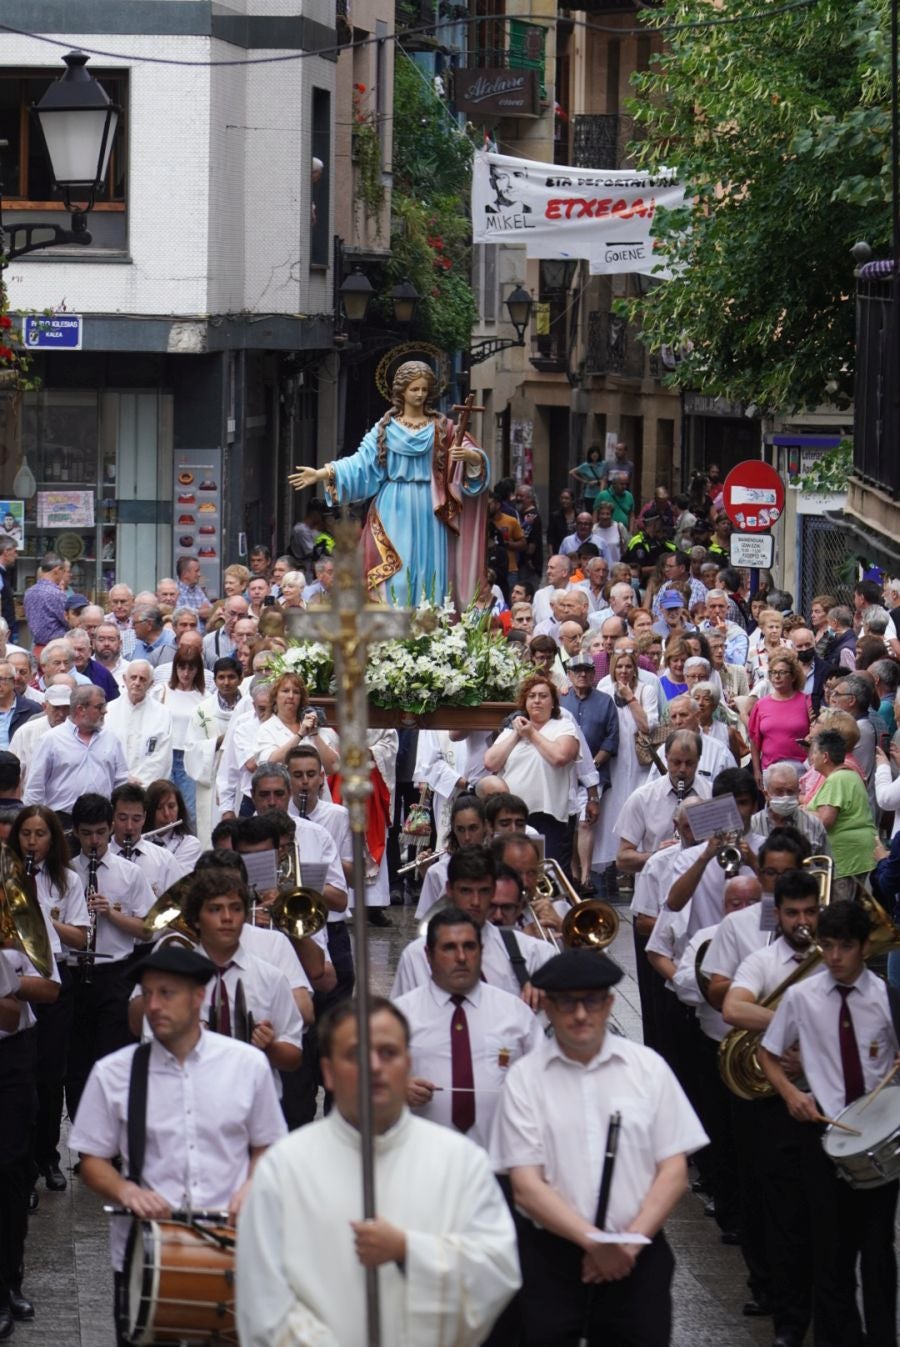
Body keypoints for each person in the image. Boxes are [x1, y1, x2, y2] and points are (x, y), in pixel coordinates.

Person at [237, 996, 520, 1347]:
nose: (374, 1066)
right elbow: (262, 1301)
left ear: (408, 1064)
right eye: (355, 1054)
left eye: (388, 1053)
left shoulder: (462, 1162)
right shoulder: (283, 1168)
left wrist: (408, 1251)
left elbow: (497, 1270)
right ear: (328, 1072)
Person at [489, 949, 708, 1347]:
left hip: (638, 1255)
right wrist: (594, 1243)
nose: (579, 1015)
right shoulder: (525, 1079)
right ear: (548, 1008)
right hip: (552, 1260)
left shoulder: (648, 1068)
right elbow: (525, 1184)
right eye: (566, 1002)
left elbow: (673, 1170)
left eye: (591, 1000)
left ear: (608, 1004)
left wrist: (625, 1245)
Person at [69, 943, 286, 1336]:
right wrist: (126, 1192)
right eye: (148, 994)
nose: (153, 1005)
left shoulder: (247, 1064)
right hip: (146, 1255)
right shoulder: (113, 1073)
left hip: (231, 1247)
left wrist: (253, 1185)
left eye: (166, 993)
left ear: (198, 997)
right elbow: (92, 1159)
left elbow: (268, 1144)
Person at [761, 900, 899, 1347]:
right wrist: (791, 1094)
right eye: (827, 945)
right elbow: (767, 1053)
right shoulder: (802, 997)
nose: (834, 956)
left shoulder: (886, 998)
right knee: (830, 1251)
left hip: (875, 1141)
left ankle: (881, 1337)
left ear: (863, 948)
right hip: (821, 1134)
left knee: (878, 1253)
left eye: (844, 946)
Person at [289, 361, 489, 609]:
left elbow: (469, 450)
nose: (420, 394)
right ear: (401, 391)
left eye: (424, 389)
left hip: (430, 507)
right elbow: (360, 464)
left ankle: (431, 629)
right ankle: (391, 632)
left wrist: (472, 459)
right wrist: (322, 473)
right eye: (414, 389)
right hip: (394, 506)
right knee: (397, 578)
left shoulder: (443, 428)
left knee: (430, 574)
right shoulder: (385, 429)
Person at [721, 869, 823, 1347]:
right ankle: (788, 1322)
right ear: (776, 915)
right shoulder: (762, 961)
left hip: (831, 1104)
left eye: (809, 912)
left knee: (828, 1220)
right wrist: (793, 1023)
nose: (802, 922)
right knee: (784, 1220)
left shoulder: (836, 959)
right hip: (779, 1102)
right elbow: (734, 1009)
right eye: (792, 913)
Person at [394, 907, 542, 1148]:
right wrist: (396, 1091)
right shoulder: (400, 1017)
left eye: (470, 947)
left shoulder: (515, 1013)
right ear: (428, 955)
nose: (461, 957)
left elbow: (544, 1081)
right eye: (449, 948)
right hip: (424, 1161)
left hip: (500, 1163)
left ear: (481, 951)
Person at [483, 674, 580, 860]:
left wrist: (532, 734)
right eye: (532, 696)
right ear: (525, 702)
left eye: (543, 696)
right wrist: (516, 735)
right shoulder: (513, 730)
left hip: (547, 814)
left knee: (543, 869)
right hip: (510, 813)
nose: (537, 701)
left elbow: (560, 757)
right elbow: (490, 762)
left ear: (553, 702)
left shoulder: (563, 726)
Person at [23, 685, 128, 825]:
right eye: (99, 707)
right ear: (80, 709)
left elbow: (121, 781)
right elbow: (35, 786)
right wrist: (34, 822)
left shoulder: (111, 740)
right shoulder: (51, 740)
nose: (105, 711)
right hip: (62, 820)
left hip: (102, 820)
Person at [808, 728, 879, 899]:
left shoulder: (837, 780)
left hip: (846, 857)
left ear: (825, 757)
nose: (811, 757)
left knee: (842, 913)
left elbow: (826, 820)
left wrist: (800, 812)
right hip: (857, 854)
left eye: (814, 753)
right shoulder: (848, 775)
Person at [104, 660, 174, 787]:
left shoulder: (163, 714)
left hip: (147, 788)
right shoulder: (108, 711)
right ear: (125, 679)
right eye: (133, 677)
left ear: (151, 684)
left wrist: (141, 786)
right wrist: (124, 779)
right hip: (114, 786)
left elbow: (161, 758)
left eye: (142, 679)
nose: (137, 683)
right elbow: (104, 752)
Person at [748, 651, 811, 785]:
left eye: (782, 673)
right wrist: (756, 770)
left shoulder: (806, 700)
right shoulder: (761, 704)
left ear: (793, 676)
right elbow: (754, 741)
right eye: (773, 672)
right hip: (770, 769)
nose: (776, 677)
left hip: (801, 769)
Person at [143, 778, 204, 877]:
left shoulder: (189, 844)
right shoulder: (140, 842)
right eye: (159, 808)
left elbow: (178, 881)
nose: (167, 814)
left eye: (171, 807)